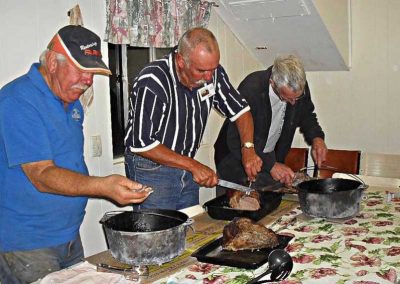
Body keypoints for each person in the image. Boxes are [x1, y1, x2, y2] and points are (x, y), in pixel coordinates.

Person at [0, 25, 152, 284]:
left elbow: (66, 163)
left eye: (92, 72)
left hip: (69, 236)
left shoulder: (71, 102)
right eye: (81, 70)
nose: (88, 80)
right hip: (28, 244)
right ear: (52, 62)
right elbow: (42, 175)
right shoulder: (17, 100)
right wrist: (104, 186)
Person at [124, 27, 262, 210]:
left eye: (213, 69)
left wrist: (248, 148)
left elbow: (241, 110)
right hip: (151, 168)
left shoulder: (212, 74)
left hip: (186, 163)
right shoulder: (153, 81)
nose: (208, 77)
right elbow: (141, 143)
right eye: (202, 70)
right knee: (159, 233)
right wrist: (193, 165)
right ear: (181, 61)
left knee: (189, 227)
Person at [214, 54, 328, 192]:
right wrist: (271, 165)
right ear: (273, 83)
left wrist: (317, 137)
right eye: (287, 98)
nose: (293, 103)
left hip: (266, 157)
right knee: (240, 207)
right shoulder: (252, 88)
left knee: (272, 204)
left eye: (297, 98)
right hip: (235, 159)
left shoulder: (298, 87)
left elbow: (306, 114)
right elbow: (234, 138)